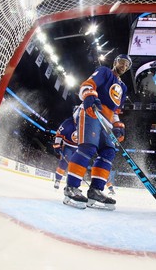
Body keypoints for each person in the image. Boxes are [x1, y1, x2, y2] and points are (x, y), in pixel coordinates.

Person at [63, 54, 131, 210]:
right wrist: (89, 96)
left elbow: (115, 111)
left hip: (105, 122)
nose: (124, 66)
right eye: (122, 62)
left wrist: (118, 124)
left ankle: (96, 191)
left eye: (127, 65)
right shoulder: (105, 72)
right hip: (91, 113)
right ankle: (71, 188)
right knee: (88, 147)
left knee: (108, 151)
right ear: (115, 62)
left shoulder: (123, 88)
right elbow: (87, 85)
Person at [52, 106, 79, 189]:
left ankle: (72, 185)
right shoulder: (68, 123)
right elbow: (59, 134)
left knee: (76, 166)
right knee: (64, 163)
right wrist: (57, 145)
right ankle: (57, 180)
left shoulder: (84, 124)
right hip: (68, 146)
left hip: (78, 148)